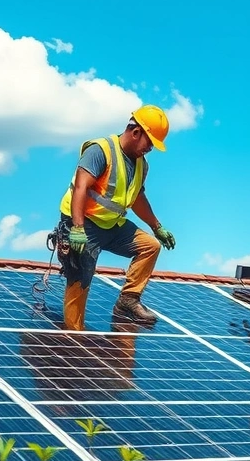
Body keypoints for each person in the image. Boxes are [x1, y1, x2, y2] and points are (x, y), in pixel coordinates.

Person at [56, 105, 177, 330]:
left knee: (150, 246)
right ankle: (73, 334)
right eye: (149, 142)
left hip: (112, 226)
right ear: (136, 132)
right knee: (81, 275)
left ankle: (127, 301)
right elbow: (81, 188)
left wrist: (157, 227)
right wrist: (77, 228)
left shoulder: (142, 166)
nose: (150, 148)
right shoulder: (100, 151)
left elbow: (138, 198)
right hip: (84, 224)